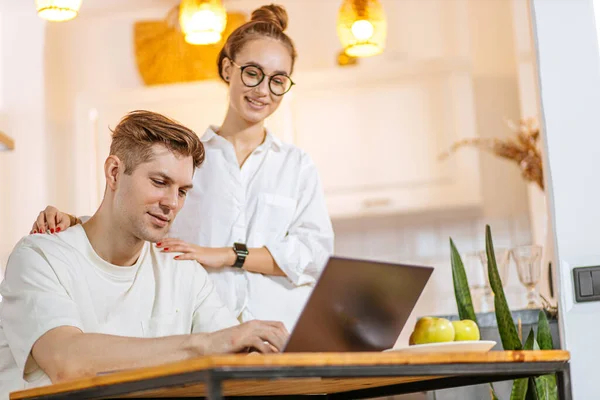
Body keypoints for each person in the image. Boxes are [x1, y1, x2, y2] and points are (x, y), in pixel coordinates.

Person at [30, 4, 334, 331]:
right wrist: (75, 224)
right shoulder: (188, 161)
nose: (263, 90)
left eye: (278, 80)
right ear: (228, 68)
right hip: (199, 331)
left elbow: (315, 255)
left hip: (281, 332)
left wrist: (228, 255)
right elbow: (139, 223)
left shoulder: (297, 166)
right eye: (252, 72)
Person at [0, 111, 288, 396]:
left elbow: (235, 355)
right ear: (114, 173)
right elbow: (68, 363)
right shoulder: (40, 258)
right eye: (160, 182)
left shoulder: (181, 270)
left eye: (183, 191)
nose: (172, 203)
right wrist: (203, 346)